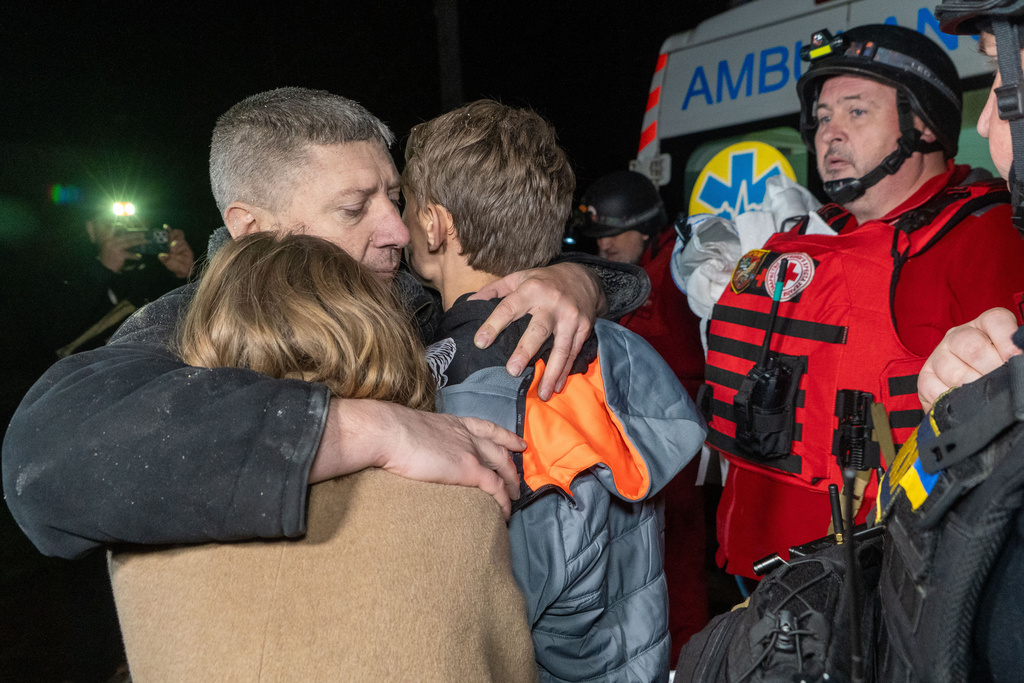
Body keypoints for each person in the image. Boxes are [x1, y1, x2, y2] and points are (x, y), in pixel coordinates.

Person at [2, 87, 647, 560]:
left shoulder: (395, 290)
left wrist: (578, 280)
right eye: (353, 208)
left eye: (393, 197)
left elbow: (619, 280)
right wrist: (368, 427)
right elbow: (46, 459)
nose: (396, 231)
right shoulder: (187, 328)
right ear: (251, 229)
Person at [109, 232, 536, 680]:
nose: (396, 227)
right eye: (355, 206)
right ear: (378, 329)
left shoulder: (137, 526)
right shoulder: (462, 508)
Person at [698, 24, 1024, 579]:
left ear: (921, 124)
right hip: (763, 583)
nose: (830, 134)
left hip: (879, 596)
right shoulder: (813, 236)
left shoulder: (986, 235)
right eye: (823, 118)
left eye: (856, 112)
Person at [401, 99, 706, 681]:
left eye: (407, 208)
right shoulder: (617, 347)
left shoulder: (471, 395)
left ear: (436, 224)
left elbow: (466, 629)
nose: (398, 226)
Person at [575, 169, 710, 657]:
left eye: (616, 232)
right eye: (598, 235)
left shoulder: (680, 264)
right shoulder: (615, 278)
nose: (605, 244)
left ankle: (686, 657)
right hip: (627, 440)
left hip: (677, 442)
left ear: (648, 227)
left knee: (678, 560)